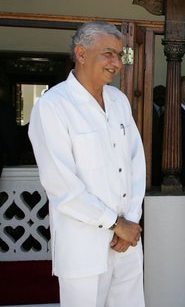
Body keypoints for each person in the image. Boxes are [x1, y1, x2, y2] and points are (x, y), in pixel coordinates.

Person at [28, 22, 145, 307]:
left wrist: (130, 220)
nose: (116, 63)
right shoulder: (53, 105)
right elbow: (61, 186)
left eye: (119, 55)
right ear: (81, 53)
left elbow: (135, 164)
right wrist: (116, 224)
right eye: (108, 53)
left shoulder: (118, 101)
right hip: (83, 245)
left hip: (125, 242)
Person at [151, 85, 165, 186]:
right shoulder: (148, 110)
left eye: (163, 94)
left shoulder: (169, 110)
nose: (160, 96)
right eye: (157, 94)